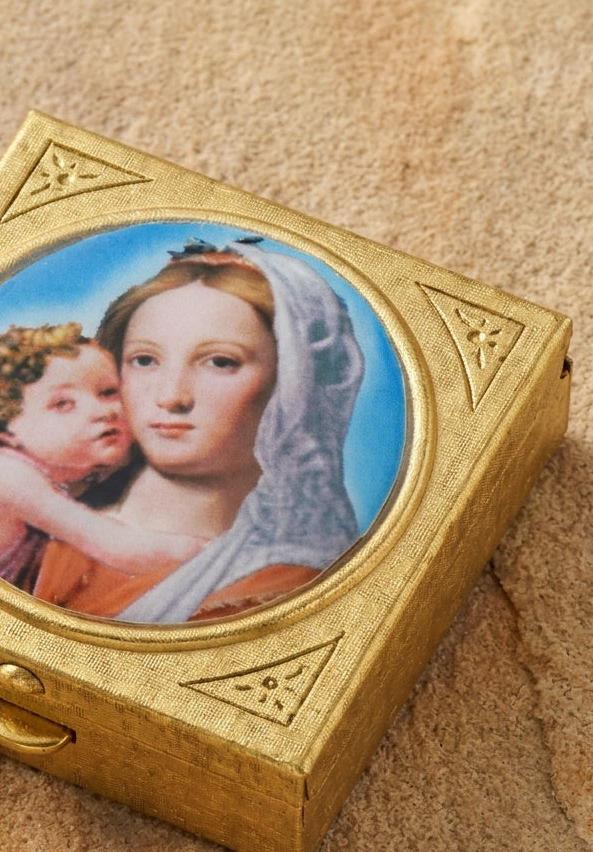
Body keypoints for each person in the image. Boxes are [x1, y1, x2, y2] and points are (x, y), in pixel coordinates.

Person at [32, 239, 365, 622]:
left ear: (294, 386)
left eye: (220, 362)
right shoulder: (47, 542)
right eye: (144, 360)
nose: (171, 396)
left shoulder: (287, 585)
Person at [0, 322, 207, 592]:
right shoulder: (3, 474)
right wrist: (214, 551)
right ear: (3, 428)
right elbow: (119, 547)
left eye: (108, 392)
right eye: (63, 404)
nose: (104, 411)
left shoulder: (68, 480)